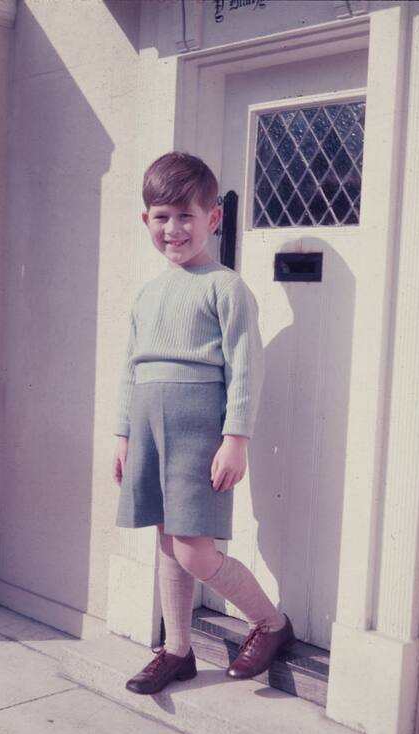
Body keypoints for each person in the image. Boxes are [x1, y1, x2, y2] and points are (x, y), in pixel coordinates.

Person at [112, 151, 293, 695]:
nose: (173, 229)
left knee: (195, 549)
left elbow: (245, 368)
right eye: (162, 217)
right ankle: (177, 651)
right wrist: (123, 434)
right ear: (146, 220)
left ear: (213, 218)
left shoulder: (225, 286)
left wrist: (236, 438)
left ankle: (270, 623)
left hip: (197, 431)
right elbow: (131, 368)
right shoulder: (148, 294)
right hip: (149, 426)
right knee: (169, 540)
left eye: (186, 216)